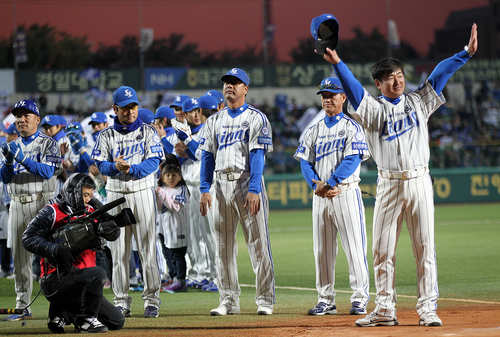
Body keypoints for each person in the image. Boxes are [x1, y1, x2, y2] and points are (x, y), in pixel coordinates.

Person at [316, 14, 478, 327]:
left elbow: (439, 74)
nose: (397, 80)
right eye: (390, 77)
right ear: (378, 83)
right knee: (382, 251)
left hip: (419, 181)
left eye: (400, 75)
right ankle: (385, 310)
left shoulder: (419, 101)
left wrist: (466, 53)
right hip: (389, 185)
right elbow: (352, 91)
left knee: (425, 249)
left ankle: (428, 308)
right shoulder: (372, 109)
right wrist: (337, 62)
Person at [199, 68, 275, 316]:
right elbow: (207, 157)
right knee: (223, 248)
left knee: (259, 246)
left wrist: (254, 188)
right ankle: (228, 301)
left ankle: (264, 300)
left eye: (235, 82)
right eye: (227, 82)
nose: (229, 85)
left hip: (245, 182)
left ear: (246, 89)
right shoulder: (213, 121)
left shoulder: (257, 118)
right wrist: (204, 188)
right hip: (220, 185)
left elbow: (257, 156)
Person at [294, 77, 371, 316]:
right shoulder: (313, 130)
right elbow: (305, 162)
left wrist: (330, 182)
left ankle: (360, 298)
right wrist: (317, 186)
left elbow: (353, 159)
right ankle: (326, 299)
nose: (327, 99)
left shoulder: (352, 126)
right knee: (322, 251)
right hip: (321, 197)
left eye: (332, 94)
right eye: (324, 95)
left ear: (343, 97)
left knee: (354, 248)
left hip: (345, 193)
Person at [91, 86, 164, 318]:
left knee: (147, 250)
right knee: (119, 252)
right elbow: (100, 165)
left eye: (133, 107)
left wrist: (131, 169)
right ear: (115, 109)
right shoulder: (104, 136)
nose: (130, 112)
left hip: (142, 192)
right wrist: (114, 167)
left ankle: (152, 300)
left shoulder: (149, 132)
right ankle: (121, 300)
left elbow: (154, 162)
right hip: (114, 196)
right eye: (125, 108)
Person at [22, 173, 125, 333]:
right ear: (72, 192)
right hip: (55, 279)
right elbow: (28, 238)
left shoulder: (92, 211)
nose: (88, 199)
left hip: (84, 282)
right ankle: (85, 320)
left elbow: (114, 235)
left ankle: (61, 313)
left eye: (91, 195)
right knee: (98, 273)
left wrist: (110, 224)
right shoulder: (52, 211)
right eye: (85, 194)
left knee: (116, 320)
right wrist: (55, 249)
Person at [0, 99, 61, 321]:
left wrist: (22, 158)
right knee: (19, 260)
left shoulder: (48, 143)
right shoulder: (12, 144)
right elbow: (4, 177)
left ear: (37, 119)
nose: (21, 119)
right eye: (18, 116)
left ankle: (61, 306)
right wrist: (7, 162)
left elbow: (47, 172)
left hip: (42, 204)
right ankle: (22, 306)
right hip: (16, 203)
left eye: (26, 115)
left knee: (53, 258)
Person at [174, 97, 215, 290]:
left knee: (210, 233)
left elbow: (200, 154)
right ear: (185, 114)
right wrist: (183, 153)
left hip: (206, 186)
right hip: (190, 185)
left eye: (198, 110)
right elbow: (185, 155)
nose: (196, 114)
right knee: (196, 233)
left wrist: (187, 145)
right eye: (191, 111)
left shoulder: (207, 128)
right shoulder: (187, 132)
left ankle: (215, 275)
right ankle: (202, 272)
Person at [155, 163, 190, 293]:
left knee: (178, 255)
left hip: (178, 227)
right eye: (167, 175)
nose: (171, 178)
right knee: (168, 254)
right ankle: (173, 277)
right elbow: (160, 208)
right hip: (165, 228)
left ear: (180, 177)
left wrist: (162, 194)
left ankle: (180, 281)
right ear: (163, 178)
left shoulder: (182, 189)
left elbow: (175, 207)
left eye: (174, 175)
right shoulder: (164, 188)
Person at [0, 124, 19, 279]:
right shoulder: (5, 149)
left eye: (8, 134)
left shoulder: (15, 150)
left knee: (11, 238)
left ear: (15, 135)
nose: (5, 136)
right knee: (7, 238)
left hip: (13, 201)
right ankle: (8, 267)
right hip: (7, 202)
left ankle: (11, 268)